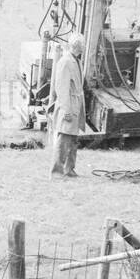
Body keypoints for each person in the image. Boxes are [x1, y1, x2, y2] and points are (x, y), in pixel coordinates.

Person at [49, 34, 85, 178]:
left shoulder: (76, 61)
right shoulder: (65, 62)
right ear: (77, 46)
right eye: (81, 45)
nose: (83, 47)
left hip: (76, 104)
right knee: (64, 140)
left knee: (73, 140)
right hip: (69, 104)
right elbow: (61, 88)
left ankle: (69, 169)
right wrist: (66, 110)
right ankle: (57, 172)